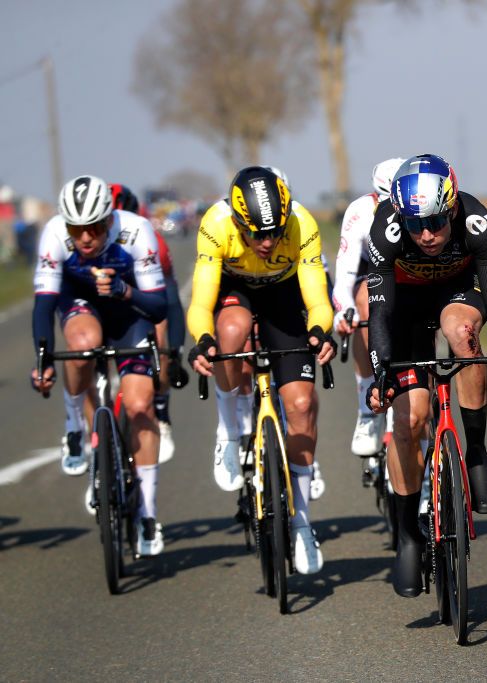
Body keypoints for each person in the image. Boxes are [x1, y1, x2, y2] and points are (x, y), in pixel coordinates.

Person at [364, 154, 487, 598]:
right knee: (409, 421)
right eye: (415, 225)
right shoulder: (385, 231)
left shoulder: (477, 223)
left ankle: (475, 452)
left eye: (434, 222)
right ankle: (408, 532)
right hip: (405, 307)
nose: (426, 235)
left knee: (461, 334)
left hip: (458, 292)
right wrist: (381, 374)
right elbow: (381, 311)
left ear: (451, 209)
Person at [186, 166, 336, 575]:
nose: (267, 242)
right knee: (231, 331)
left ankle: (302, 522)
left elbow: (317, 299)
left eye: (274, 232)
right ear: (237, 222)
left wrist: (322, 331)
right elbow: (200, 303)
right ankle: (228, 432)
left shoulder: (302, 222)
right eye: (256, 233)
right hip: (234, 292)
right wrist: (203, 340)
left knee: (302, 404)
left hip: (284, 296)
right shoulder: (216, 224)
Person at [30, 175, 169, 556]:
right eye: (78, 229)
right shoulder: (55, 234)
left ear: (110, 219)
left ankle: (148, 514)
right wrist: (43, 359)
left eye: (94, 227)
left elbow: (158, 307)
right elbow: (43, 305)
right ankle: (74, 423)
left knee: (141, 405)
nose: (86, 238)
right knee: (82, 345)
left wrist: (125, 290)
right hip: (80, 307)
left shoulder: (137, 231)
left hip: (129, 310)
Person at [109, 184, 188, 464]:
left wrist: (174, 352)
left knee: (159, 336)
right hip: (107, 305)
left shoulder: (153, 241)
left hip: (144, 301)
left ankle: (161, 409)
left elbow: (170, 302)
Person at [333, 157, 405, 456]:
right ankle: (368, 402)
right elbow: (344, 279)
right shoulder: (361, 213)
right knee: (363, 302)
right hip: (371, 270)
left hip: (411, 270)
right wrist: (344, 310)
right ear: (376, 195)